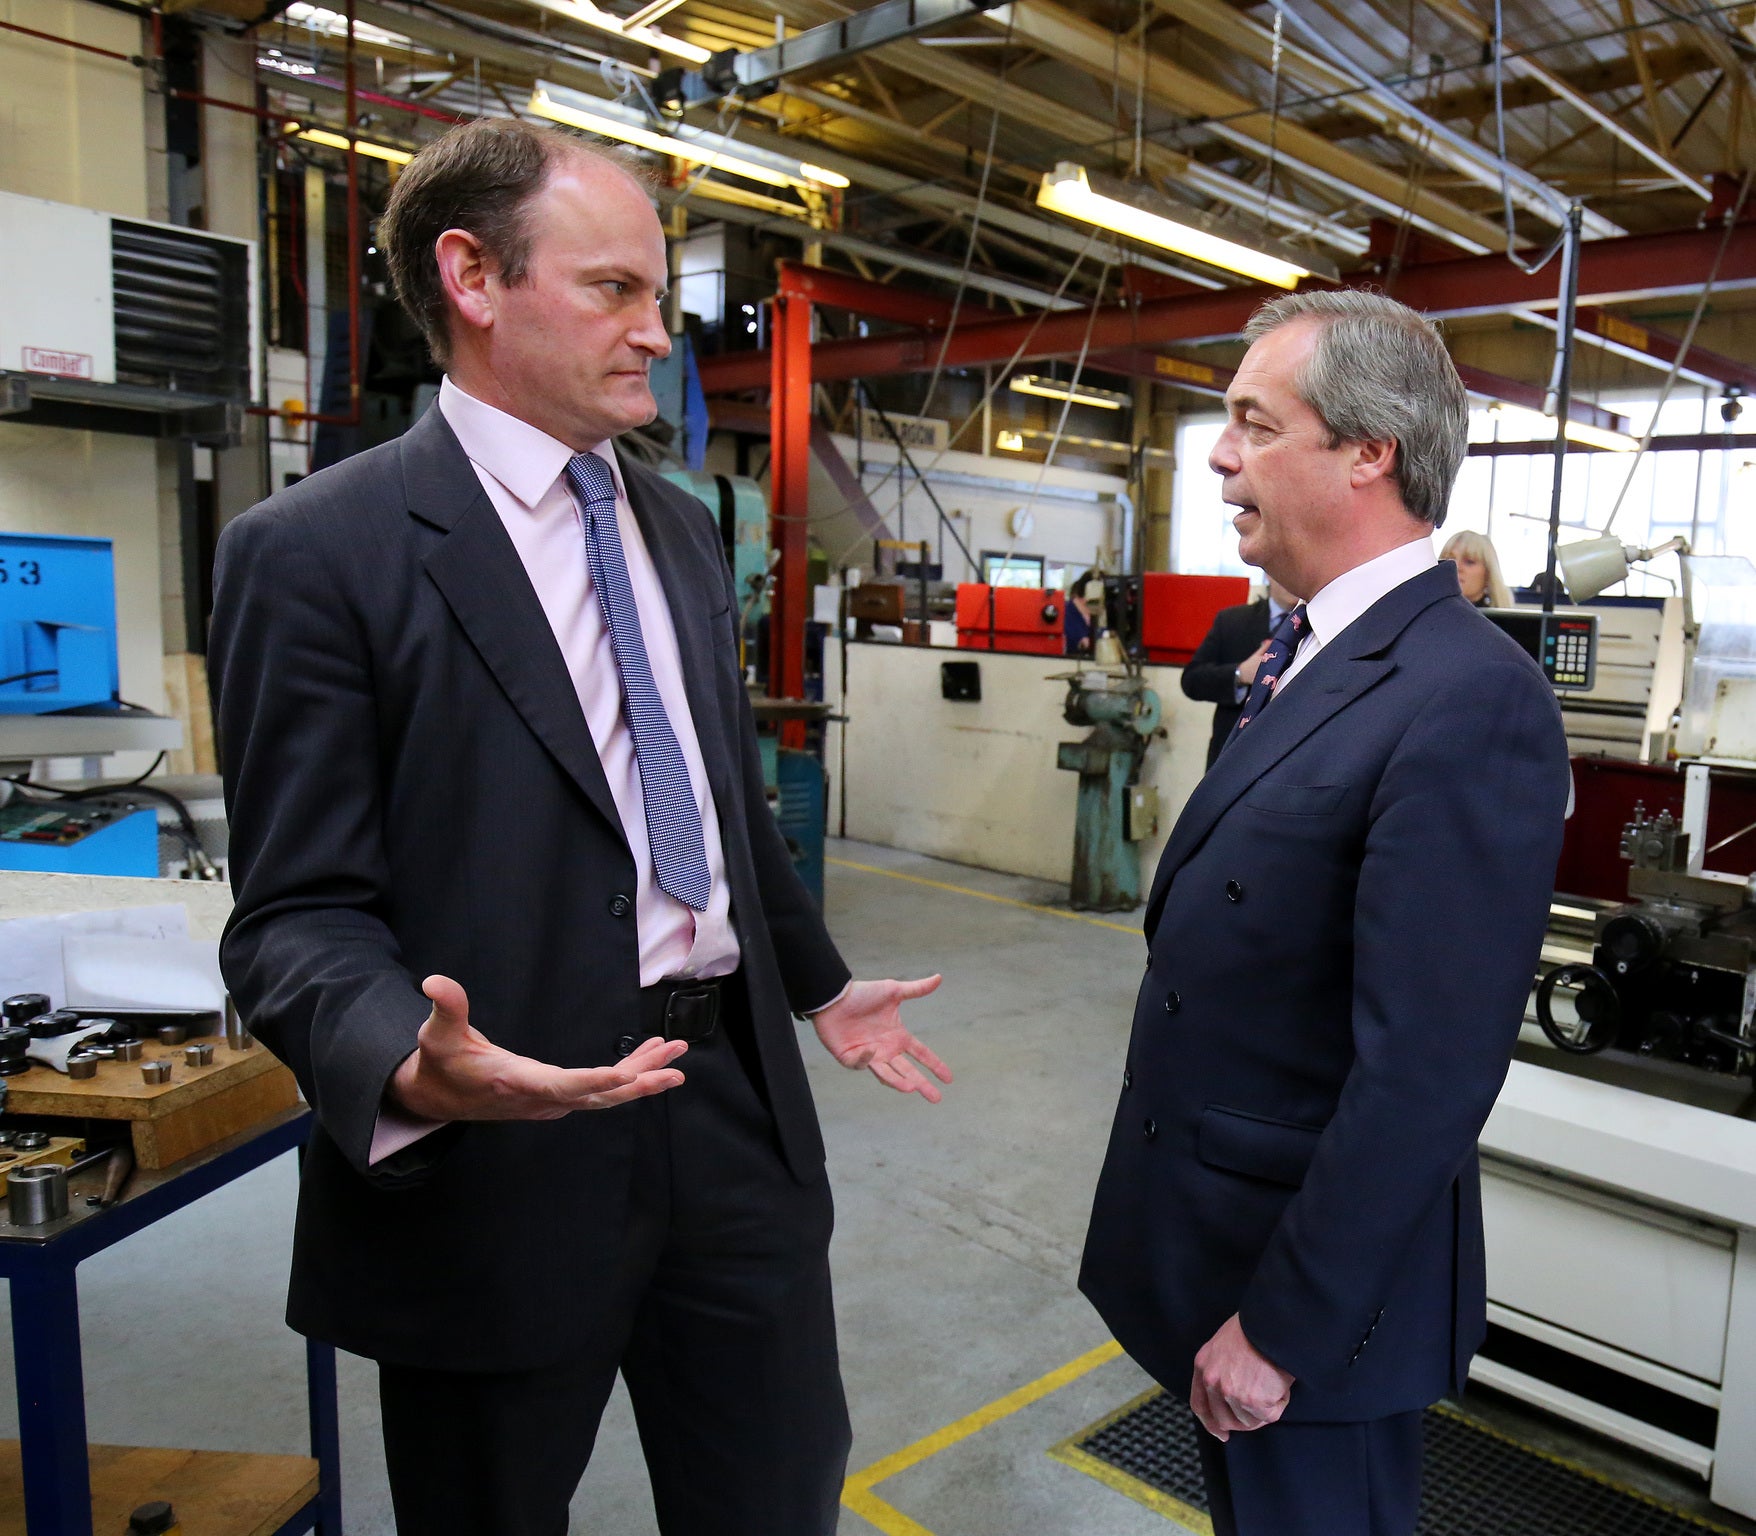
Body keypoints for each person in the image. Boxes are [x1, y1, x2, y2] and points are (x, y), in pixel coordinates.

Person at [209, 119, 951, 1536]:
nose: (654, 333)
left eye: (657, 296)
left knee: (773, 1495)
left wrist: (816, 981)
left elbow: (717, 803)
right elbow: (293, 913)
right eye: (614, 289)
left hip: (727, 1108)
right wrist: (409, 1070)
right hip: (501, 1141)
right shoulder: (315, 554)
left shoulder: (675, 526)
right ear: (473, 276)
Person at [1079, 290, 1570, 1536]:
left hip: (1307, 1316)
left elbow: (1427, 1070)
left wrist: (1281, 1327)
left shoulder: (1468, 699)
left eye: (1254, 421)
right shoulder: (1303, 656)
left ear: (1367, 451)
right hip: (1219, 1246)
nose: (1219, 454)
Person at [1180, 578, 1303, 770]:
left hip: (1288, 760)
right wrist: (1240, 673)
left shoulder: (1320, 628)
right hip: (1229, 757)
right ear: (1268, 573)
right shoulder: (1231, 621)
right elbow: (1191, 680)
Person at [1439, 528, 1512, 607]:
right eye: (1449, 560)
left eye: (1469, 562)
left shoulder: (1499, 618)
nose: (1457, 567)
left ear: (1488, 574)